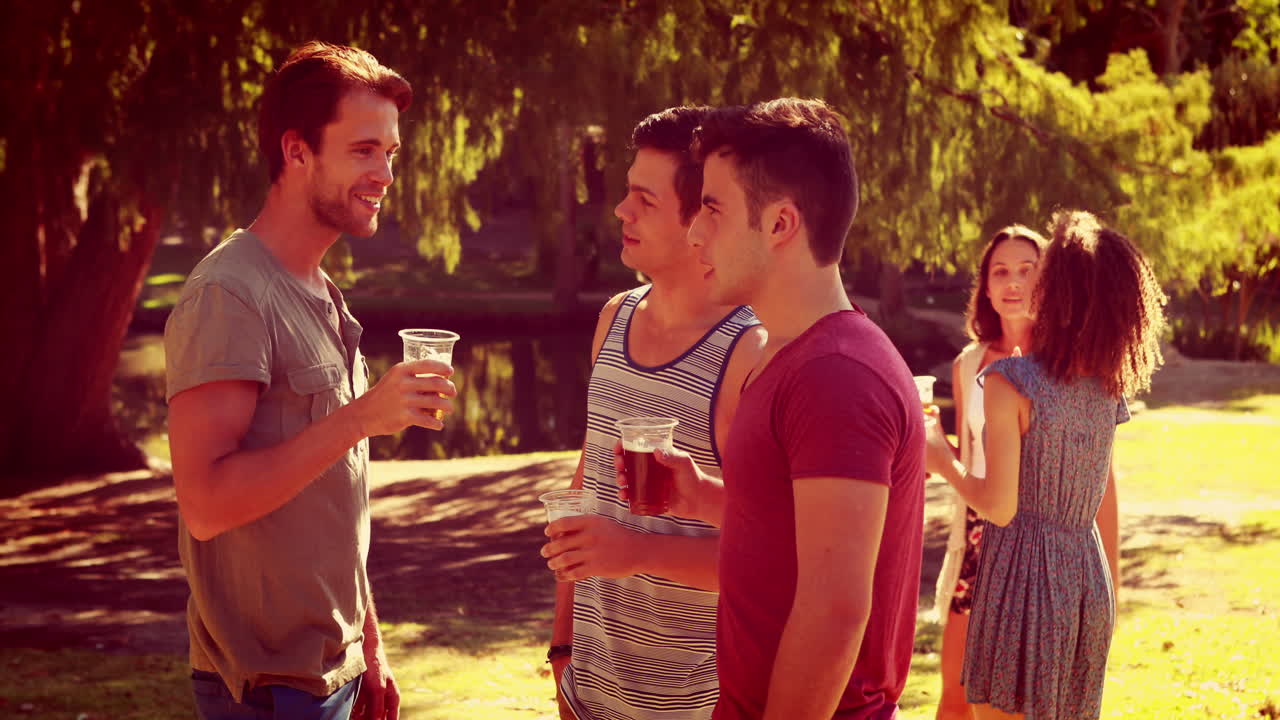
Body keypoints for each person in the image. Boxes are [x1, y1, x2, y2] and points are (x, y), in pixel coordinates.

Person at [164, 41, 455, 720]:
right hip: (269, 692)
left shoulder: (321, 293)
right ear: (296, 152)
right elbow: (205, 504)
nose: (385, 173)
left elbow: (331, 506)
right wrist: (358, 418)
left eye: (390, 153)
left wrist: (370, 648)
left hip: (336, 673)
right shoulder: (229, 294)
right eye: (363, 150)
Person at [633, 98, 926, 719]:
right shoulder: (789, 353)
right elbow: (793, 534)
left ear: (779, 225)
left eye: (712, 208)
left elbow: (834, 612)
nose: (694, 231)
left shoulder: (836, 375)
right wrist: (705, 498)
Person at [539, 106, 766, 720]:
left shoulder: (750, 353)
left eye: (644, 199)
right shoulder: (614, 318)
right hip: (589, 692)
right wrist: (563, 649)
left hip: (699, 705)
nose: (620, 211)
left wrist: (635, 550)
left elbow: (769, 556)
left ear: (700, 221)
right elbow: (586, 488)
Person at [924, 210, 1165, 720]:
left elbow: (1000, 507)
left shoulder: (1011, 380)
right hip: (1086, 578)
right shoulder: (1107, 384)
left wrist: (941, 459)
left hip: (1019, 579)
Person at [931, 225, 1047, 720]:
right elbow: (966, 456)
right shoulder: (969, 362)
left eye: (1027, 270)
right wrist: (932, 444)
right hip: (978, 538)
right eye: (1000, 271)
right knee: (954, 695)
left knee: (1012, 704)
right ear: (986, 285)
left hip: (1038, 542)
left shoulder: (1067, 363)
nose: (1012, 282)